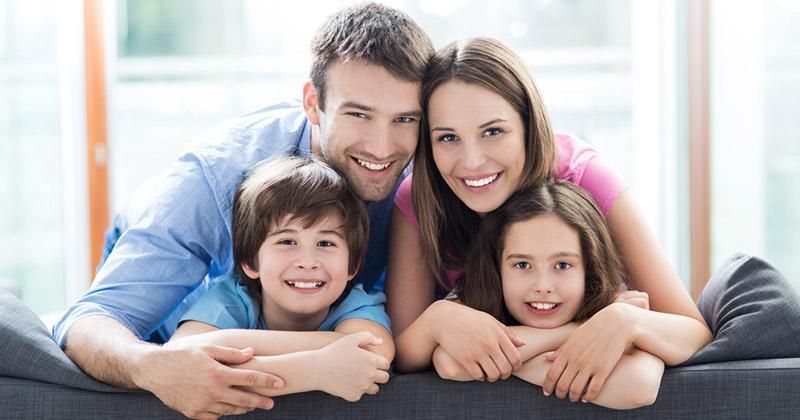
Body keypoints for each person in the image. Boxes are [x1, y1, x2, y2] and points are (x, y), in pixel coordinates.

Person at [53, 3, 433, 418]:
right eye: (358, 114)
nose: (382, 147)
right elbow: (90, 321)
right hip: (189, 291)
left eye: (404, 119)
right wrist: (154, 367)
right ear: (313, 102)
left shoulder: (429, 164)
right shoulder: (218, 175)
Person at [386, 37, 712, 403]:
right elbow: (403, 354)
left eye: (493, 131)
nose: (472, 161)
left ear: (528, 124)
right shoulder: (420, 197)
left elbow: (693, 331)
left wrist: (625, 322)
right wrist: (438, 319)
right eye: (448, 138)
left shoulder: (584, 177)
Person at [166, 156, 392, 403]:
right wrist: (316, 370)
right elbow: (179, 357)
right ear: (251, 262)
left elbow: (373, 354)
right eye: (287, 242)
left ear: (352, 265)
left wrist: (224, 344)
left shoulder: (357, 304)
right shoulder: (232, 300)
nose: (308, 261)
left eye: (326, 243)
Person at [431, 182, 664, 410]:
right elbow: (449, 362)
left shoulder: (615, 310)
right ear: (497, 269)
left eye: (562, 265)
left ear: (588, 270)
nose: (543, 286)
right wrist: (581, 330)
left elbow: (640, 384)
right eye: (522, 265)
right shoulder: (473, 304)